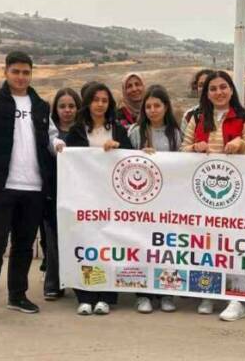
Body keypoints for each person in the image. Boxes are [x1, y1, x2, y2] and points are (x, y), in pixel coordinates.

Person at [0, 51, 59, 325]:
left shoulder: (40, 105)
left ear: (31, 74)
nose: (21, 77)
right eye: (16, 71)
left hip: (33, 188)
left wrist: (59, 146)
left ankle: (17, 295)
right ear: (6, 72)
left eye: (26, 72)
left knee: (24, 246)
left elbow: (51, 137)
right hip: (0, 187)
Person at [181, 70, 245, 321]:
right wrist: (194, 147)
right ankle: (207, 292)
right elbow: (182, 150)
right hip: (204, 195)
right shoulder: (197, 118)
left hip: (236, 196)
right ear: (206, 93)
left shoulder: (244, 118)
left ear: (231, 90)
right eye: (212, 89)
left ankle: (237, 299)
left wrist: (241, 144)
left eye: (223, 87)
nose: (218, 92)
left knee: (235, 245)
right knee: (206, 243)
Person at [65, 81, 133, 315]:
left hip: (111, 201)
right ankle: (85, 295)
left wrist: (118, 149)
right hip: (83, 200)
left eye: (104, 100)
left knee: (108, 246)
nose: (100, 104)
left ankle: (105, 296)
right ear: (88, 103)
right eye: (96, 100)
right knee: (84, 245)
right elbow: (70, 163)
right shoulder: (76, 130)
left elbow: (130, 158)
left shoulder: (118, 129)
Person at [128, 85, 183, 314]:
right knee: (142, 247)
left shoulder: (176, 133)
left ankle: (167, 292)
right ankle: (144, 294)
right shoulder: (135, 132)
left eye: (157, 105)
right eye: (148, 106)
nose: (152, 110)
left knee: (167, 248)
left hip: (168, 202)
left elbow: (182, 164)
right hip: (142, 202)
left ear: (166, 106)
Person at [40, 87, 81, 300]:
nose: (67, 110)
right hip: (52, 193)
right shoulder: (46, 132)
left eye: (72, 106)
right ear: (55, 109)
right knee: (53, 239)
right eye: (62, 106)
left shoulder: (84, 131)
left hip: (80, 195)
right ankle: (53, 283)